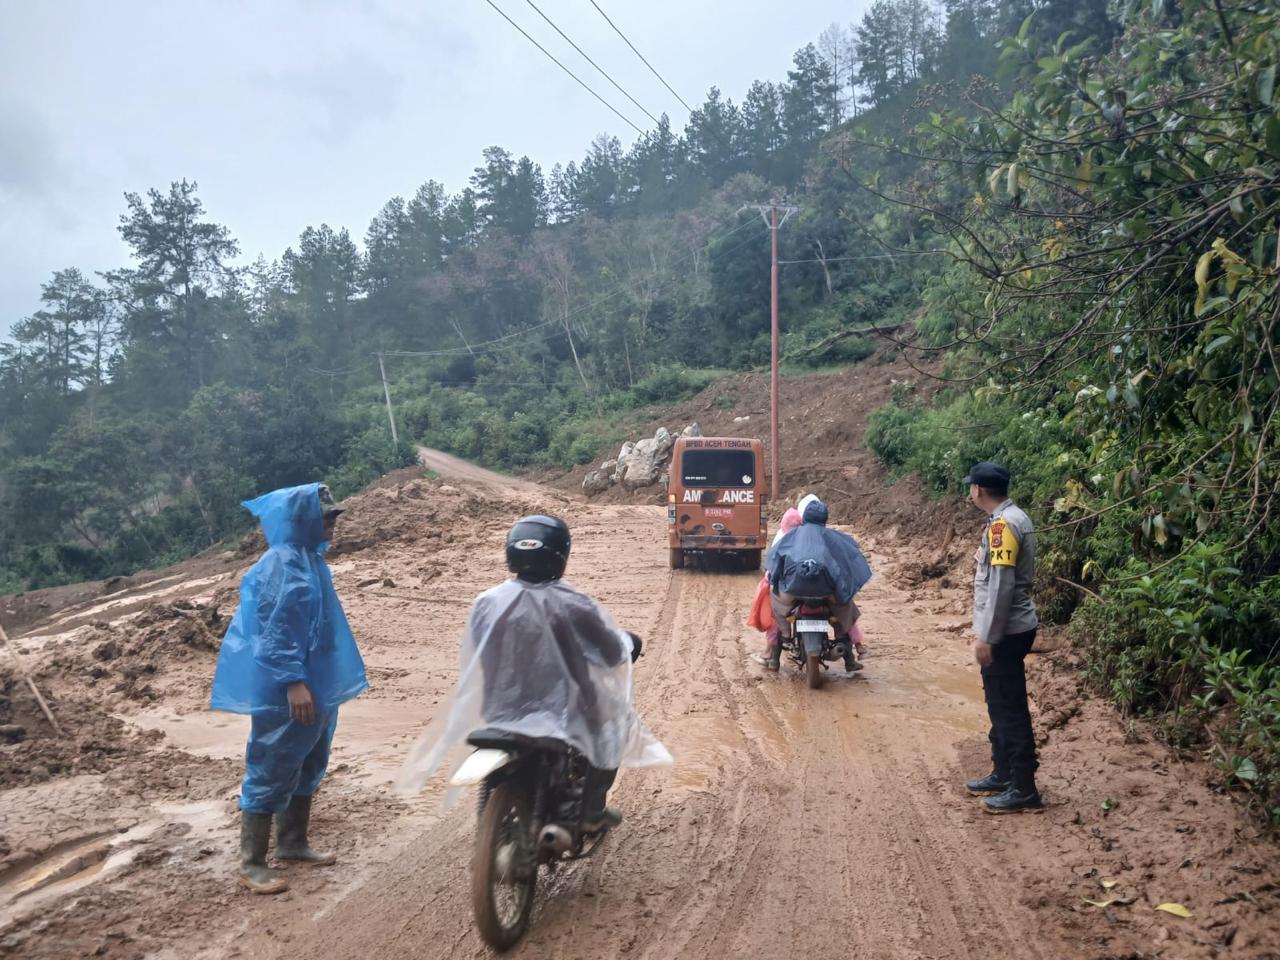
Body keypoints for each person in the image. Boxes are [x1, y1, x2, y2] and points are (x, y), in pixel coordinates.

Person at [398, 515, 670, 826]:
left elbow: (478, 652)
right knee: (611, 725)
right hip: (560, 711)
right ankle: (592, 811)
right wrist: (629, 644)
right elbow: (611, 650)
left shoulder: (486, 602)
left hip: (499, 707)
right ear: (560, 554)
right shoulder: (575, 604)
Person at [211, 483, 368, 894]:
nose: (334, 523)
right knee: (272, 764)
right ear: (304, 521)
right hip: (289, 688)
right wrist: (293, 682)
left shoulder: (311, 561)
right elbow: (274, 633)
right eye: (327, 516)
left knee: (310, 760)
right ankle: (252, 863)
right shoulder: (281, 564)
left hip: (317, 684)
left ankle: (293, 842)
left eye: (335, 516)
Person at [962, 462, 1042, 814]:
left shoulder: (1003, 526)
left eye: (970, 487)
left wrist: (987, 637)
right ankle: (1004, 771)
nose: (969, 492)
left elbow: (1001, 586)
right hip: (1010, 628)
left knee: (1008, 707)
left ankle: (1024, 787)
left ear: (978, 490)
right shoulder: (1012, 518)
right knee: (999, 701)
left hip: (1006, 631)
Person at [765, 498, 873, 673]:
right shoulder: (836, 538)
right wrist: (847, 588)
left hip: (793, 590)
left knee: (776, 603)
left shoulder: (790, 536)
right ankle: (849, 658)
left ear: (804, 517)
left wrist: (776, 582)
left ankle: (781, 644)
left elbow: (774, 562)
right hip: (826, 592)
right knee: (845, 607)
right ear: (825, 519)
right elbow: (849, 564)